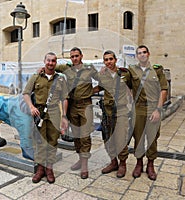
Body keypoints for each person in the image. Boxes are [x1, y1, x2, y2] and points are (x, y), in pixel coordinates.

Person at [22, 52, 69, 184]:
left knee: (53, 141)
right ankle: (40, 169)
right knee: (40, 142)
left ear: (56, 63)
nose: (50, 63)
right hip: (39, 112)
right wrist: (31, 107)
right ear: (44, 61)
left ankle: (49, 169)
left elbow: (64, 98)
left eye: (53, 61)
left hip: (54, 112)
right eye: (48, 60)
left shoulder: (60, 79)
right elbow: (26, 93)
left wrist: (64, 116)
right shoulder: (36, 77)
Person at [55, 47, 99, 179]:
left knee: (85, 135)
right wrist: (42, 70)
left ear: (81, 56)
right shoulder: (66, 69)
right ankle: (80, 159)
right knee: (76, 135)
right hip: (72, 106)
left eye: (76, 56)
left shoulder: (89, 69)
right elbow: (52, 66)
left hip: (85, 105)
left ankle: (84, 165)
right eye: (72, 56)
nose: (74, 58)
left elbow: (103, 81)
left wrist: (92, 91)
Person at [129, 45, 168, 180]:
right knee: (138, 138)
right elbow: (126, 86)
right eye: (139, 53)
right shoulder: (132, 70)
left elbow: (163, 90)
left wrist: (158, 109)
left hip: (153, 108)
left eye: (144, 52)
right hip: (138, 109)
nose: (142, 55)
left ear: (148, 54)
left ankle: (150, 165)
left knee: (152, 138)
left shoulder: (157, 70)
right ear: (136, 56)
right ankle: (139, 163)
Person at [94, 50, 133, 178]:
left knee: (121, 138)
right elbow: (97, 88)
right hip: (107, 112)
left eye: (110, 59)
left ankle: (122, 164)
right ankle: (113, 162)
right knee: (107, 138)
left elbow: (133, 88)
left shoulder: (125, 74)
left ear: (115, 60)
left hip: (121, 111)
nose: (108, 62)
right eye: (106, 60)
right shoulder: (102, 76)